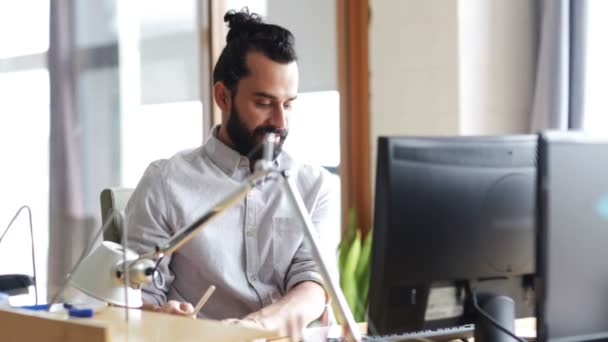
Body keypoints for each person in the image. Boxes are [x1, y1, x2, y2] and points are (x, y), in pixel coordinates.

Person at [125, 9, 337, 333]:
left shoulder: (313, 186)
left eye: (288, 103)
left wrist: (252, 326)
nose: (280, 122)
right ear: (223, 96)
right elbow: (135, 298)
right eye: (265, 103)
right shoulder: (166, 184)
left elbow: (313, 286)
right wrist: (161, 313)